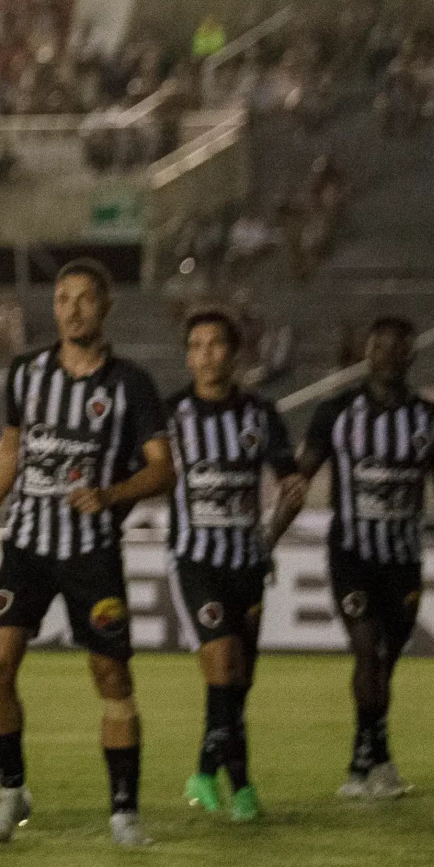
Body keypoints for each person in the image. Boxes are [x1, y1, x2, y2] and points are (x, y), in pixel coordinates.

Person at [0, 259, 173, 848]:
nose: (72, 310)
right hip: (27, 546)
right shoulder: (27, 372)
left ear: (106, 308)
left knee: (109, 672)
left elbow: (164, 470)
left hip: (91, 552)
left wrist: (110, 494)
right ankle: (11, 794)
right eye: (62, 299)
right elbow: (10, 451)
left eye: (84, 299)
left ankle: (124, 812)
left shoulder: (130, 384)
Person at [290, 317, 434, 799]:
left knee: (386, 663)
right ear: (368, 352)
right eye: (379, 346)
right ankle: (362, 765)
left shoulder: (430, 419)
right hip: (352, 554)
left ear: (410, 356)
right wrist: (269, 533)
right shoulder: (335, 412)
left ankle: (373, 756)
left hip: (403, 560)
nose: (387, 355)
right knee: (369, 649)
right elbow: (299, 478)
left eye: (397, 348)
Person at [164, 310, 302, 821]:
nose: (206, 354)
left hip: (247, 563)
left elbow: (290, 485)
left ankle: (238, 784)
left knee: (237, 682)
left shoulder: (261, 415)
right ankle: (204, 773)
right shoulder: (170, 414)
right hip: (195, 561)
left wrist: (272, 533)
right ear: (188, 356)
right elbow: (147, 471)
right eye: (196, 345)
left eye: (216, 344)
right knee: (222, 662)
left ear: (234, 352)